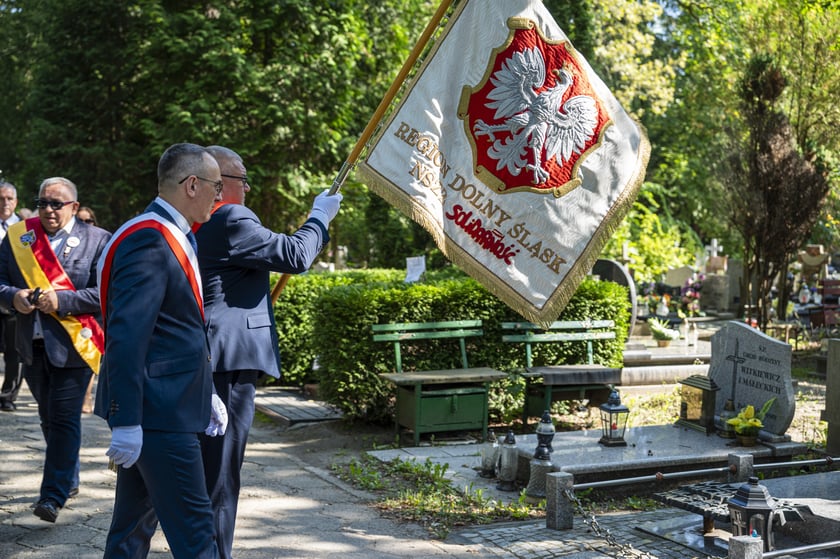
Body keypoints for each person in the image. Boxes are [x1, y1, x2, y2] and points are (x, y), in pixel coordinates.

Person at [194, 145, 341, 558]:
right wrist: (320, 217)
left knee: (205, 468)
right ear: (220, 184)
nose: (248, 188)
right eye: (244, 179)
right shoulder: (230, 216)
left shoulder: (196, 220)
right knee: (221, 474)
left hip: (209, 354)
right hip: (227, 361)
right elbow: (295, 254)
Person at [94, 142, 228, 558]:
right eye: (216, 186)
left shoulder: (166, 232)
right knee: (196, 535)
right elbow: (128, 335)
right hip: (158, 415)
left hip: (166, 407)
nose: (220, 197)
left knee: (131, 533)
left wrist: (203, 391)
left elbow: (170, 331)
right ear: (192, 184)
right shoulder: (150, 239)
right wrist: (127, 420)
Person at [0, 177, 111, 522]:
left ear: (74, 207)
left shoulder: (98, 240)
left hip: (74, 346)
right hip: (30, 345)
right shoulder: (19, 236)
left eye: (56, 204)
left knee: (63, 419)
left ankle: (52, 496)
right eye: (43, 202)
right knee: (48, 417)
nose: (48, 210)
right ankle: (69, 475)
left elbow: (103, 293)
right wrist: (12, 297)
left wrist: (61, 300)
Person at [75, 205, 101, 414]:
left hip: (91, 314)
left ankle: (87, 395)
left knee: (90, 356)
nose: (85, 224)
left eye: (89, 221)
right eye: (80, 220)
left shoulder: (100, 242)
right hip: (71, 312)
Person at [0, 181, 22, 411]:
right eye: (1, 198)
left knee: (15, 351)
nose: (5, 203)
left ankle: (8, 395)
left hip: (14, 297)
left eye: (9, 198)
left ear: (16, 202)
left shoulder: (26, 229)